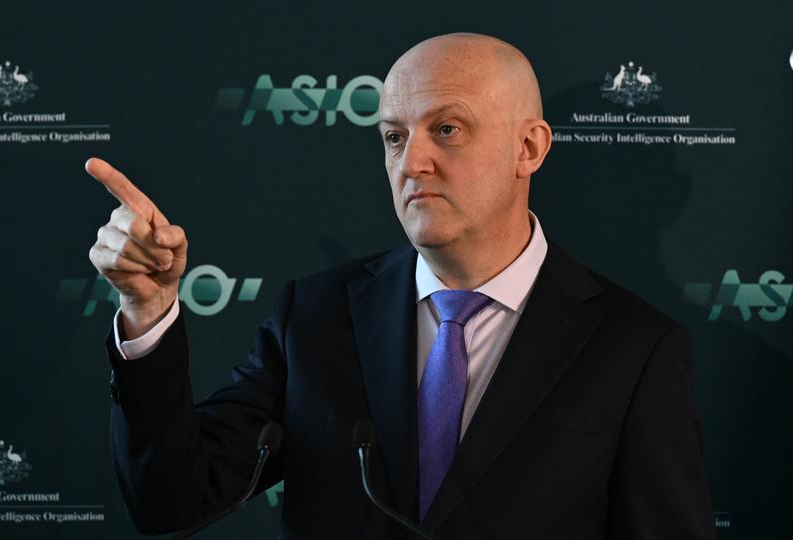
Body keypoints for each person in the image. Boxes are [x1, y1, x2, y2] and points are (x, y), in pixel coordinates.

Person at [88, 33, 716, 539]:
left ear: (528, 148)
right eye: (394, 136)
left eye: (447, 129)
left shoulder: (635, 348)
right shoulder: (315, 314)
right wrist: (147, 308)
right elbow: (170, 501)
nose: (412, 162)